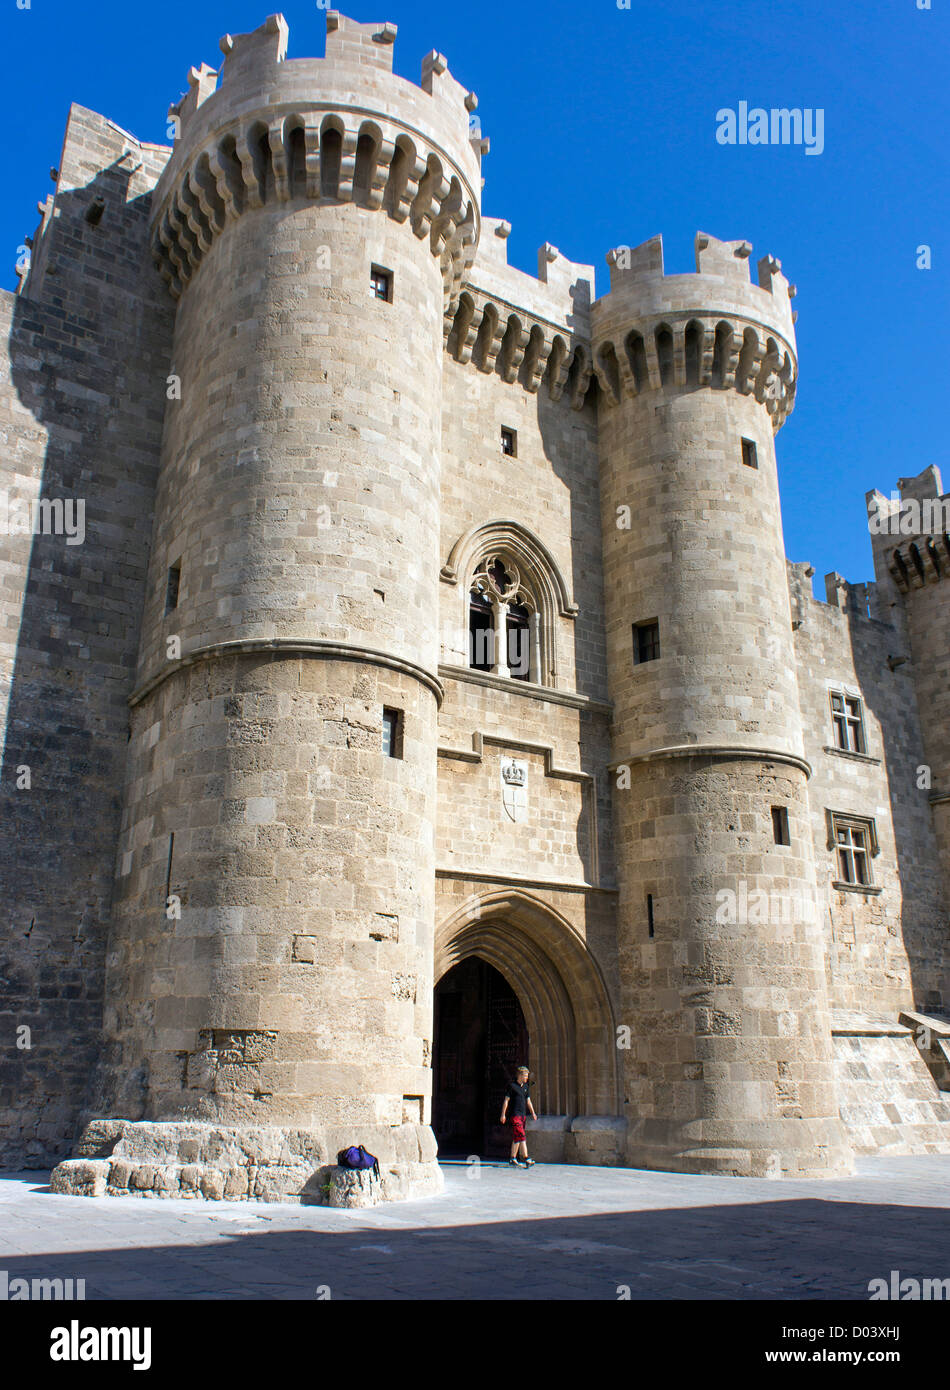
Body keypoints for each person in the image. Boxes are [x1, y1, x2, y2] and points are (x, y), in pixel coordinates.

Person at [500, 1065, 537, 1167]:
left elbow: (528, 1101)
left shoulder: (525, 1087)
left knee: (517, 1136)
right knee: (521, 1135)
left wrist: (533, 1112)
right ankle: (526, 1158)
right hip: (515, 1115)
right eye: (525, 1076)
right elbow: (506, 1101)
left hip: (523, 1115)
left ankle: (512, 1158)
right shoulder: (512, 1086)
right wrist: (503, 1114)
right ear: (520, 1075)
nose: (527, 1078)